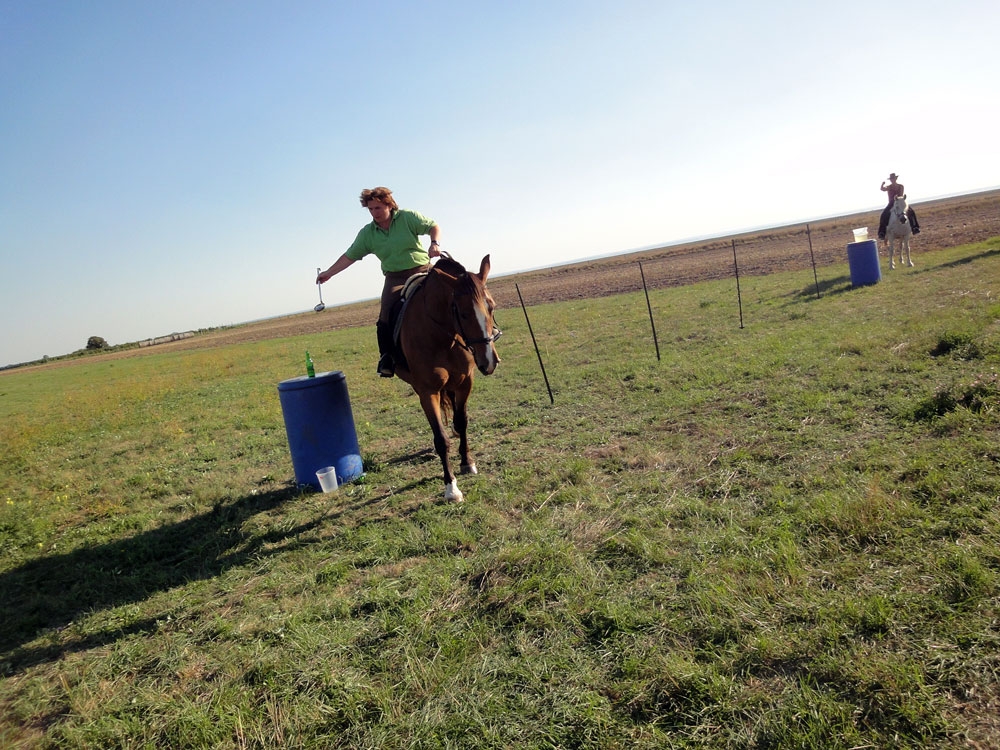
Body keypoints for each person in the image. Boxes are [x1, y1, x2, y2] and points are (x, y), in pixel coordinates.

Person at [317, 187, 441, 378]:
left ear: (389, 205)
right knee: (386, 312)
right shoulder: (368, 233)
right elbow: (350, 256)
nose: (374, 213)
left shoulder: (407, 217)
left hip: (423, 269)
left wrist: (434, 243)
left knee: (456, 292)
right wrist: (329, 273)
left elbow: (433, 226)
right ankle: (387, 358)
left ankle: (481, 338)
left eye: (378, 208)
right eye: (371, 209)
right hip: (395, 277)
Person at [877, 173, 920, 239]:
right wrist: (882, 184)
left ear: (896, 179)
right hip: (891, 203)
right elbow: (882, 189)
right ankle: (882, 232)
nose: (892, 180)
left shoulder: (901, 186)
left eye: (893, 178)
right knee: (884, 214)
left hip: (900, 202)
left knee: (911, 212)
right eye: (891, 179)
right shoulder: (889, 187)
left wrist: (899, 200)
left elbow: (901, 195)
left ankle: (915, 227)